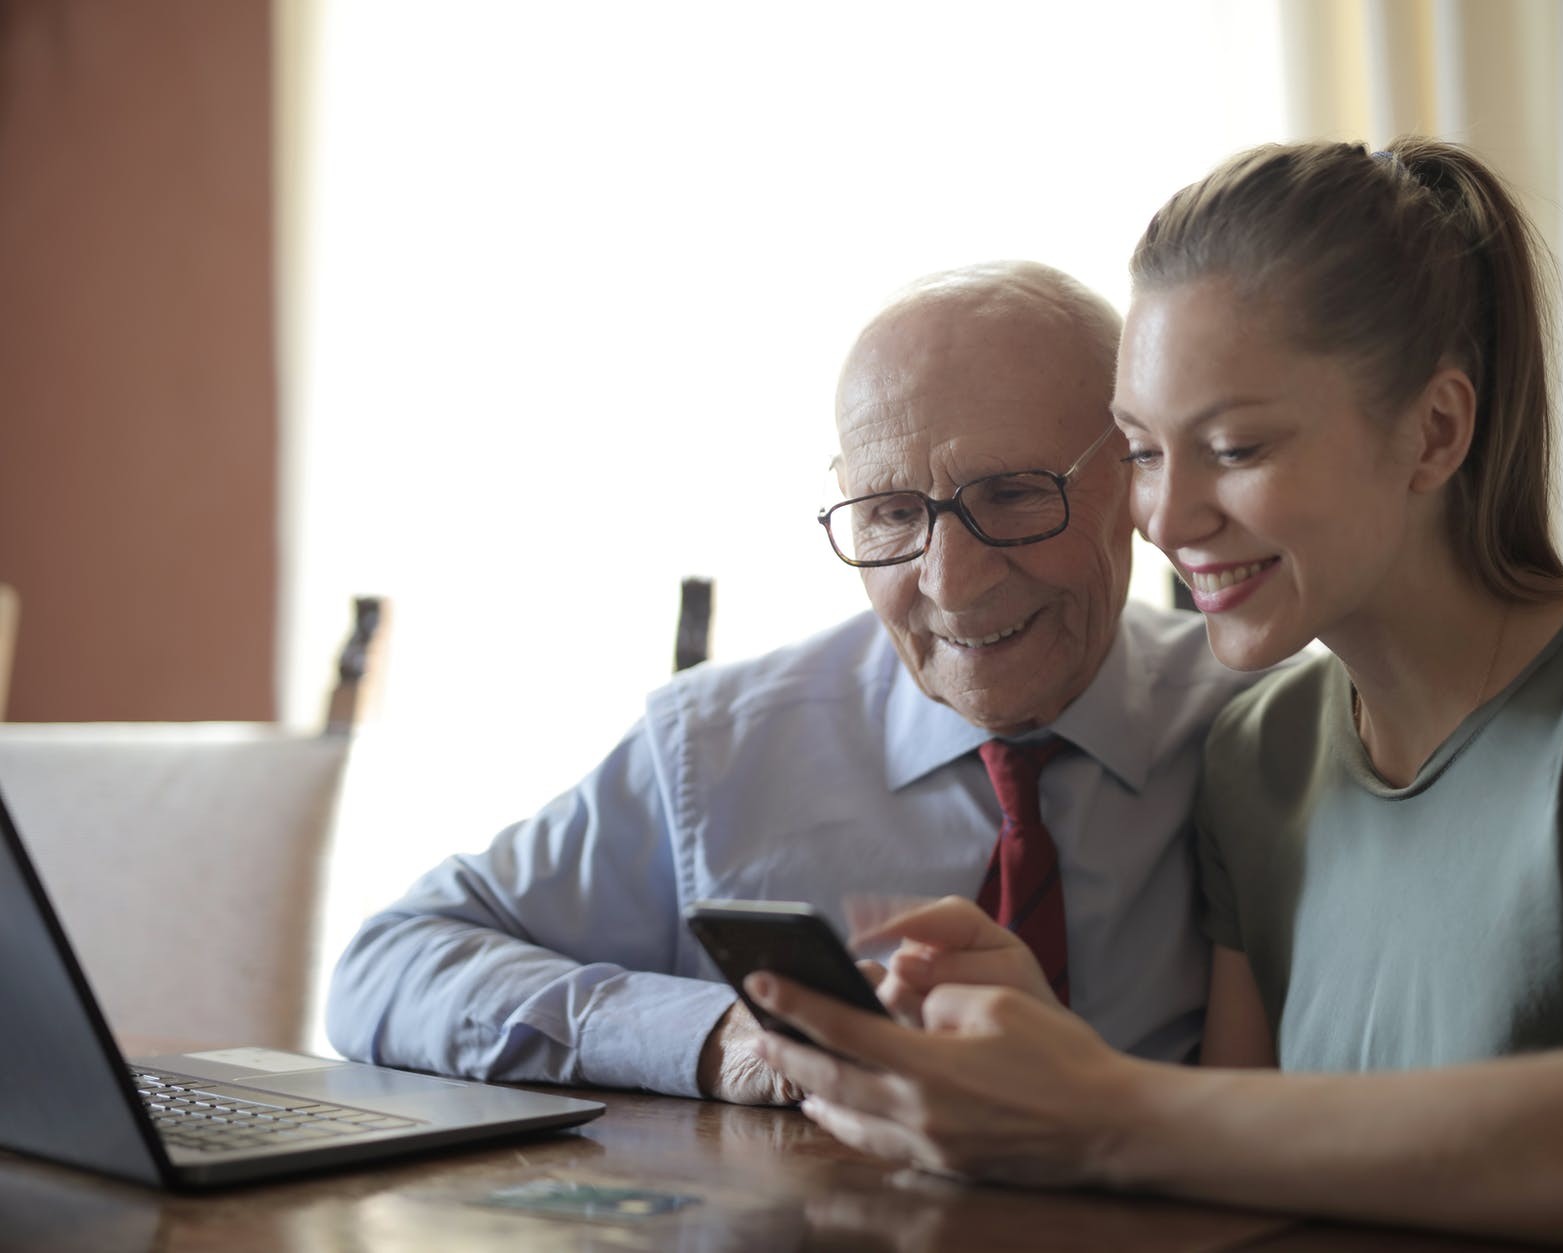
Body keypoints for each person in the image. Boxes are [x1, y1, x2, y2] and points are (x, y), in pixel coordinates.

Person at [748, 139, 1563, 1248]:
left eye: (1233, 447)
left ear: (1434, 431)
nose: (1166, 518)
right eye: (1141, 451)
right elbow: (1237, 1175)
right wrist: (1051, 1063)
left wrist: (1098, 1104)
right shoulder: (1258, 750)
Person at [323, 261, 1253, 1104]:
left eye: (1012, 494)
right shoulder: (718, 749)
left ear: (1138, 476)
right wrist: (715, 1036)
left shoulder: (1266, 729)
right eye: (891, 513)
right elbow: (387, 966)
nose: (950, 582)